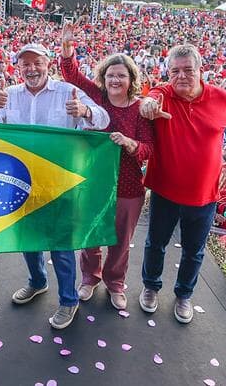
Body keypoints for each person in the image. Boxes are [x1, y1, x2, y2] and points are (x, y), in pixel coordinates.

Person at [0, 42, 110, 329]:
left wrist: (85, 112)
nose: (31, 68)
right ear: (18, 67)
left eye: (36, 62)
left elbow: (104, 119)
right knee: (29, 240)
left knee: (60, 244)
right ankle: (37, 282)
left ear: (48, 64)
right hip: (22, 182)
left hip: (60, 184)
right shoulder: (9, 95)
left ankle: (68, 301)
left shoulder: (68, 91)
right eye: (25, 63)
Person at [139, 44, 226, 324]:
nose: (182, 76)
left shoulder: (222, 99)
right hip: (165, 190)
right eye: (175, 71)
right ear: (168, 72)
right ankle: (151, 287)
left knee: (193, 251)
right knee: (155, 244)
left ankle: (184, 294)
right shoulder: (164, 93)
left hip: (205, 195)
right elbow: (149, 99)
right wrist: (149, 103)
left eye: (188, 70)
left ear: (202, 71)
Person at [59, 24, 154, 310]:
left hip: (128, 185)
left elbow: (150, 148)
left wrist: (130, 143)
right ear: (103, 77)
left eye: (121, 75)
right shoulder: (96, 97)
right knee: (91, 233)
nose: (115, 80)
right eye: (110, 75)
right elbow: (72, 74)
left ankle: (115, 282)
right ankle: (90, 277)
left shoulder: (140, 109)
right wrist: (66, 48)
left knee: (120, 239)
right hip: (95, 181)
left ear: (131, 79)